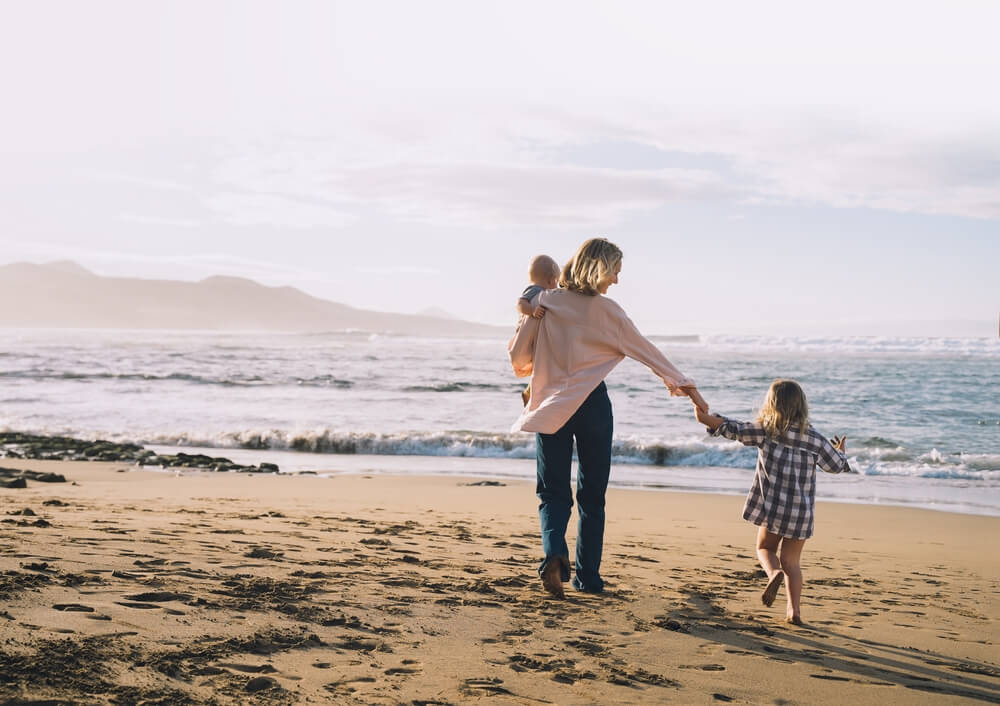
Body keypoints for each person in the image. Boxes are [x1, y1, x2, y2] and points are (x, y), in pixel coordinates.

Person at [508, 238, 707, 598]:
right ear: (599, 268)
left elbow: (519, 354)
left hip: (552, 408)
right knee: (592, 496)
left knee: (552, 493)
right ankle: (588, 579)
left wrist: (537, 360)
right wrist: (689, 390)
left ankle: (554, 555)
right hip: (593, 407)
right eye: (614, 271)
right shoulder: (610, 312)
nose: (616, 279)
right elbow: (649, 353)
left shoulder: (546, 301)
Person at [692, 379, 853, 625]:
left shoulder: (766, 431)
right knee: (792, 562)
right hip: (800, 514)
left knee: (765, 548)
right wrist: (840, 451)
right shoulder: (815, 439)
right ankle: (794, 611)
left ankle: (773, 572)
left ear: (772, 404)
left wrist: (704, 416)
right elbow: (836, 466)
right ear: (802, 406)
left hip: (773, 508)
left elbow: (734, 428)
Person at [515, 255, 561, 405]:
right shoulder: (535, 289)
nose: (557, 285)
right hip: (528, 336)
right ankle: (531, 393)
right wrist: (532, 310)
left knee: (539, 368)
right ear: (550, 280)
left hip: (535, 336)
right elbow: (520, 303)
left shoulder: (541, 292)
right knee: (540, 366)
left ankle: (529, 392)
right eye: (556, 281)